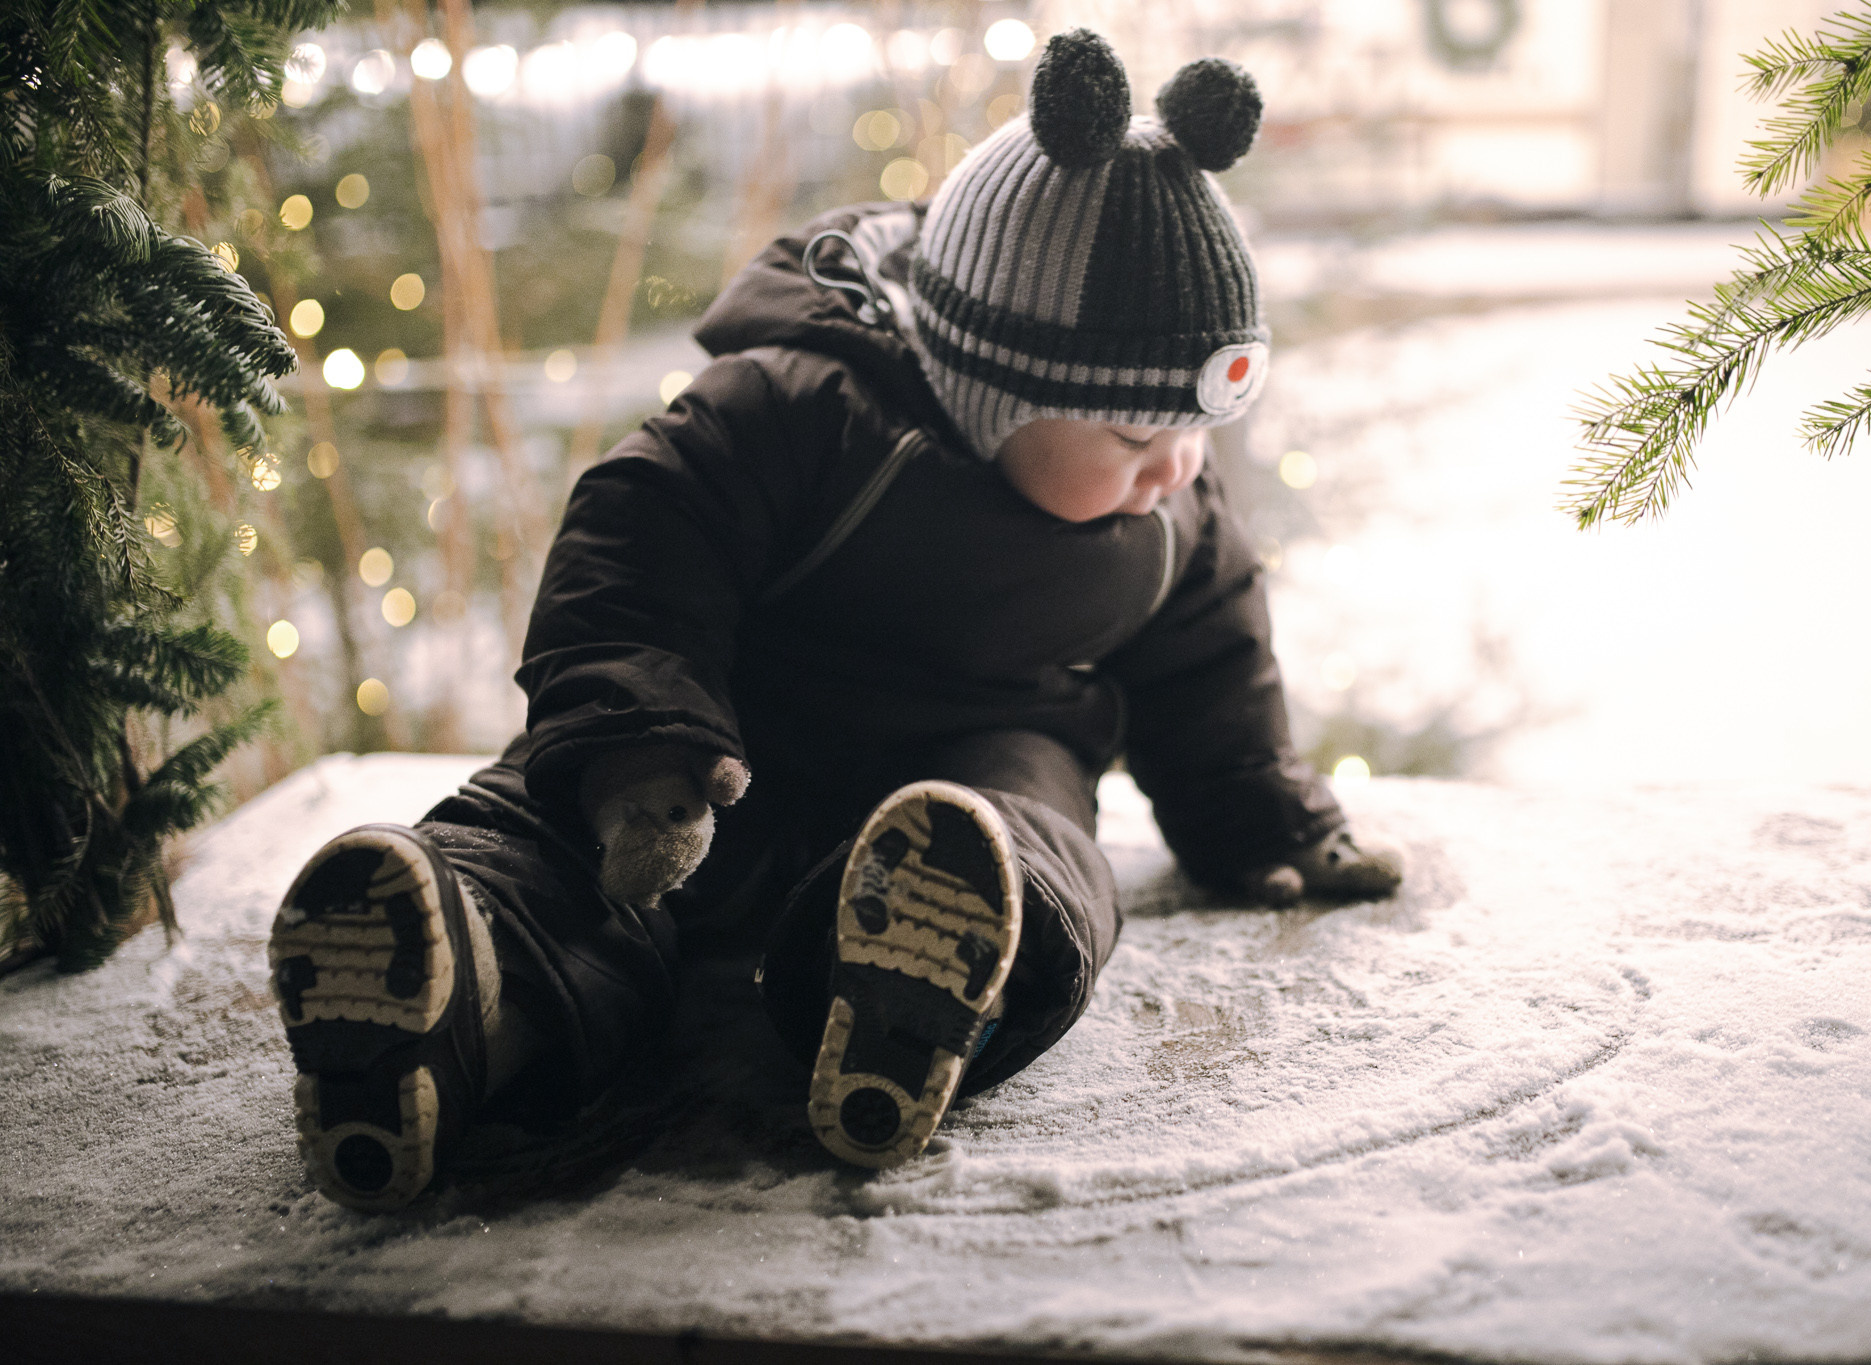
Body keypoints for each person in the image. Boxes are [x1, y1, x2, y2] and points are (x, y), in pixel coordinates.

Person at [266, 29, 1405, 1213]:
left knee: (1038, 832)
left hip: (980, 762)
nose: (1175, 468)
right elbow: (641, 536)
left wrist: (1258, 813)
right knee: (552, 840)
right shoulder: (804, 411)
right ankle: (453, 987)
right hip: (712, 764)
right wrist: (636, 739)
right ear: (990, 382)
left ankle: (922, 979)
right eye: (1132, 436)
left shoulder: (1175, 511)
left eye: (1196, 430)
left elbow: (1212, 659)